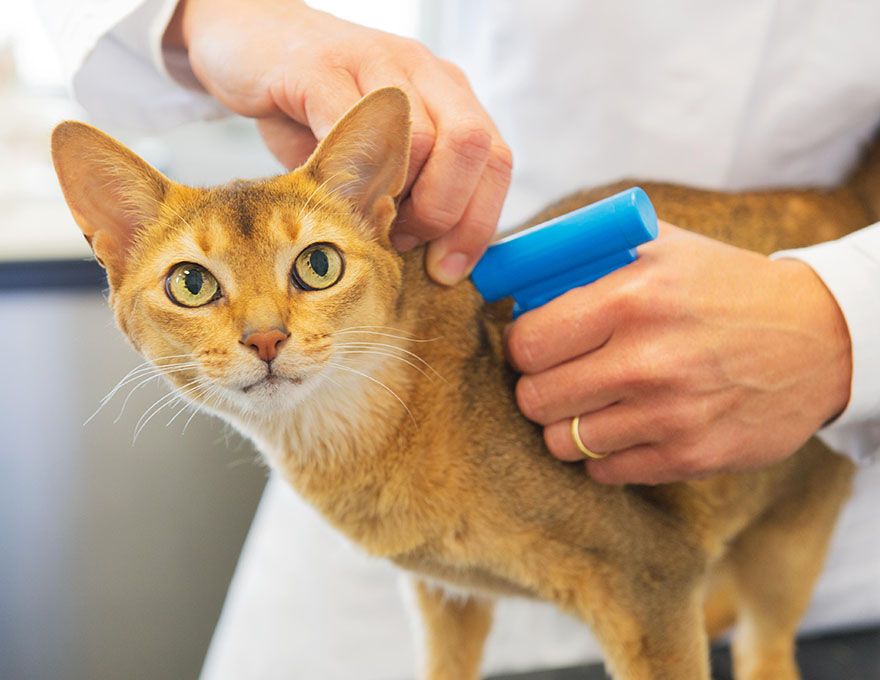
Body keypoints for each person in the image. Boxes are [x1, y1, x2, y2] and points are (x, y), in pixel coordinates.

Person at [38, 0, 880, 677]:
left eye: (315, 268)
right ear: (117, 260)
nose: (264, 333)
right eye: (194, 286)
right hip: (459, 258)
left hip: (822, 385)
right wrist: (216, 12)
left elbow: (649, 574)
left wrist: (850, 317)